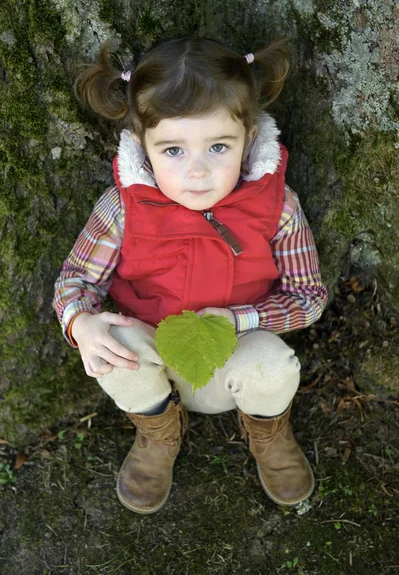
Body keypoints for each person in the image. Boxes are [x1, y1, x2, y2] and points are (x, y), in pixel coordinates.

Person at [53, 37, 328, 515]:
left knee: (273, 364)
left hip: (237, 350)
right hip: (156, 355)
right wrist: (81, 322)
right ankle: (157, 434)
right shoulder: (125, 209)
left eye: (218, 146)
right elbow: (76, 280)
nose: (197, 172)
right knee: (115, 350)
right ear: (143, 145)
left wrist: (241, 319)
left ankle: (269, 432)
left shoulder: (277, 207)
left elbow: (309, 297)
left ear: (248, 138)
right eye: (173, 150)